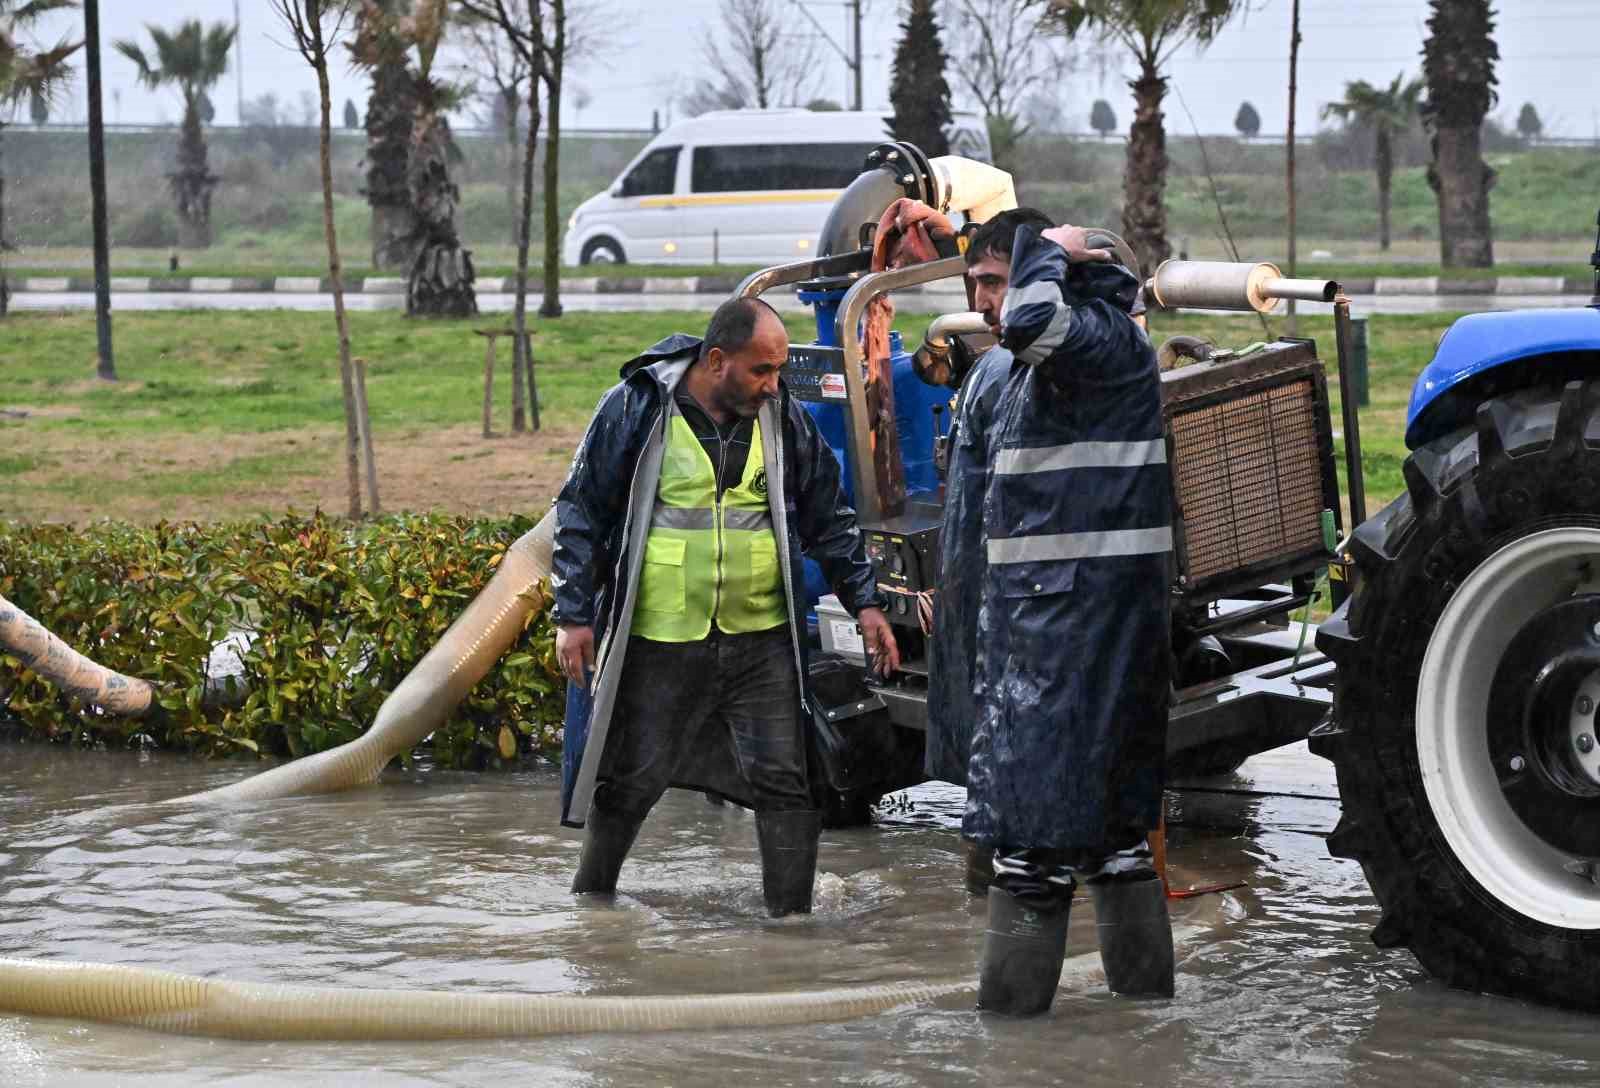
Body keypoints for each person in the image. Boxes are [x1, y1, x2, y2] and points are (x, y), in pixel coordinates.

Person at [549, 297, 901, 918]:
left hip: (760, 636)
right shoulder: (638, 406)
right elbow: (580, 510)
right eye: (761, 371)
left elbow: (829, 515)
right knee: (631, 778)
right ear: (716, 361)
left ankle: (790, 927)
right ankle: (592, 908)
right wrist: (573, 616)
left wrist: (866, 603)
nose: (773, 385)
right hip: (662, 636)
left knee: (785, 781)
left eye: (779, 370)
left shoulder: (781, 415)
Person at [932, 209, 1175, 1015]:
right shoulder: (1051, 364)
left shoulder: (1096, 342)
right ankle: (1143, 1029)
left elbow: (1035, 316)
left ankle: (1007, 1042)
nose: (988, 305)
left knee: (1032, 849)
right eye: (977, 286)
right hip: (1060, 627)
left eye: (1000, 280)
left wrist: (1052, 252)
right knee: (1110, 840)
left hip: (1070, 635)